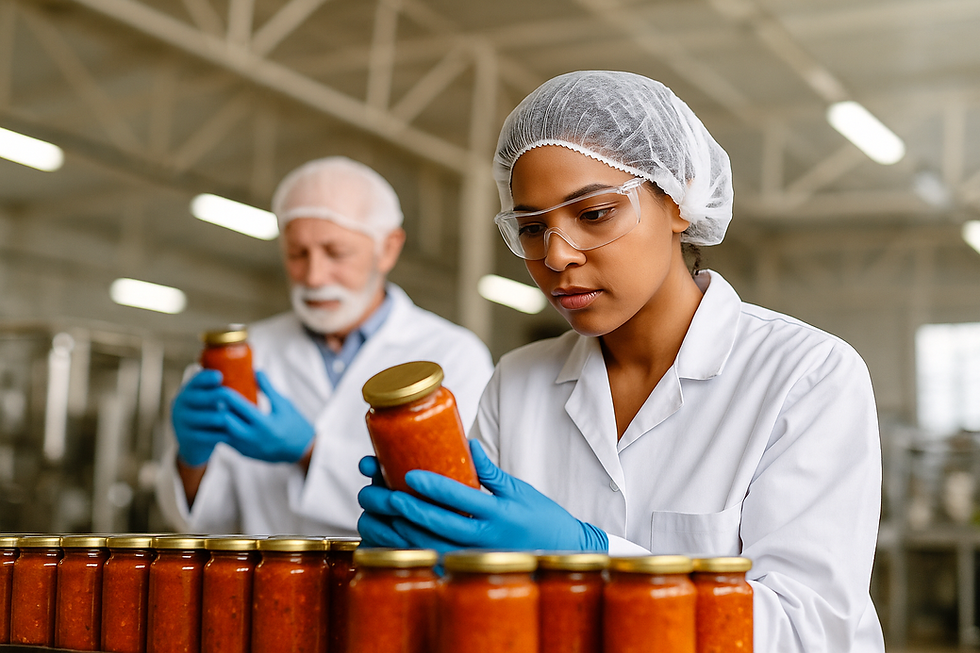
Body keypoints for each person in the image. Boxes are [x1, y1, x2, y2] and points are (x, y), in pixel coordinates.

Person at [357, 71, 884, 651]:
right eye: (532, 227)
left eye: (595, 214)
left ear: (680, 200)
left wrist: (589, 557)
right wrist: (429, 555)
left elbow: (807, 630)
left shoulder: (805, 375)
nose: (556, 256)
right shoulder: (518, 383)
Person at [157, 156, 494, 536]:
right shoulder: (247, 353)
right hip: (269, 586)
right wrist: (191, 463)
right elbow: (206, 526)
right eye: (297, 254)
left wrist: (309, 452)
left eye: (336, 253)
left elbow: (451, 507)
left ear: (388, 249)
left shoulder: (453, 354)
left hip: (390, 588)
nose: (314, 276)